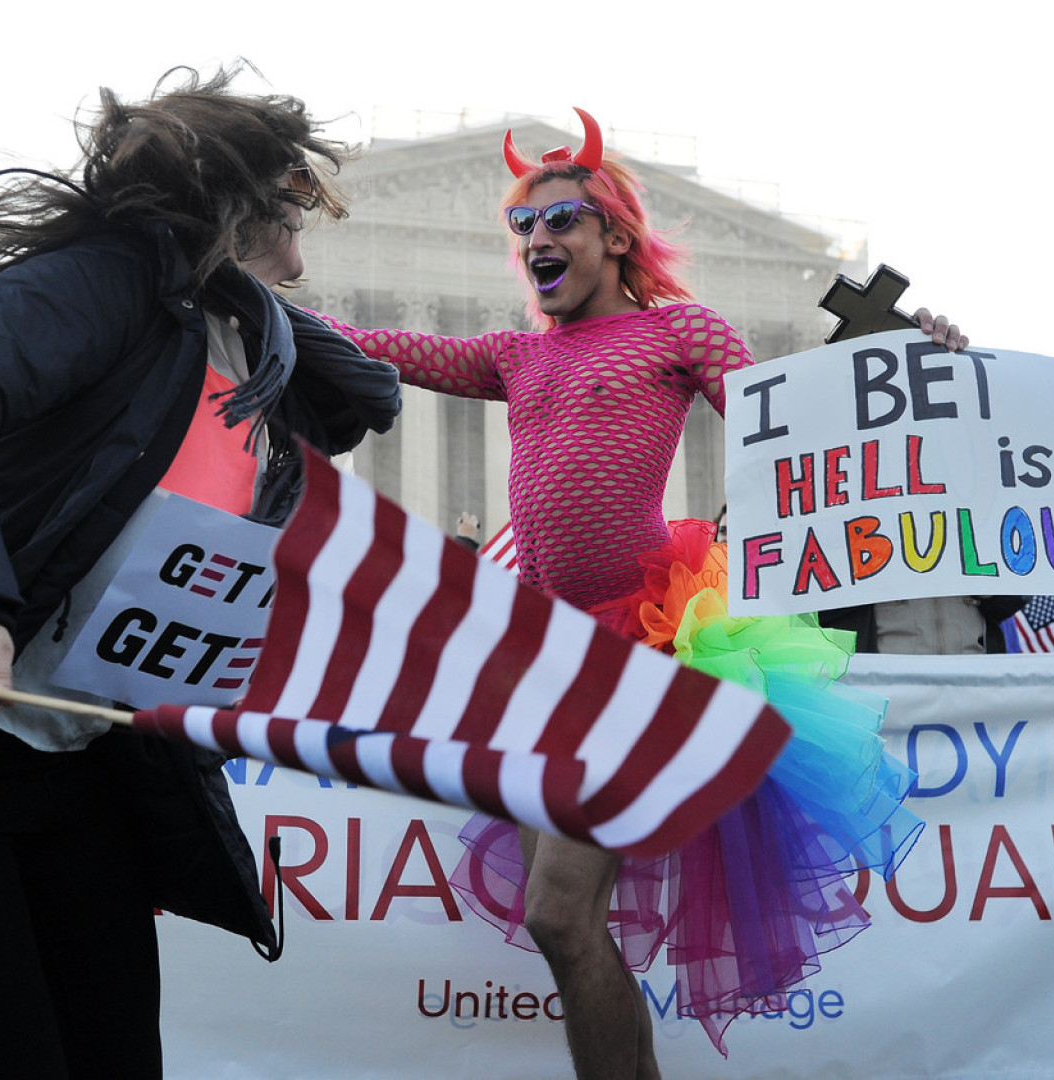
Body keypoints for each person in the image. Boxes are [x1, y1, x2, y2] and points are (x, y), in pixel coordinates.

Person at [0, 66, 400, 1080]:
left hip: (85, 774)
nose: (306, 254)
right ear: (234, 202)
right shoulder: (109, 281)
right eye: (294, 209)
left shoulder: (251, 346)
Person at [325, 110, 958, 1075]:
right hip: (544, 658)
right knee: (563, 929)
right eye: (524, 229)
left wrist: (908, 363)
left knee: (557, 911)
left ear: (615, 235)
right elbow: (376, 344)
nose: (539, 240)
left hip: (641, 645)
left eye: (563, 220)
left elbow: (788, 430)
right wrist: (246, 299)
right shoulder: (515, 355)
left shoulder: (680, 330)